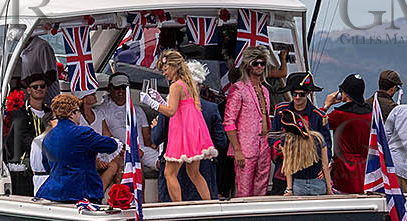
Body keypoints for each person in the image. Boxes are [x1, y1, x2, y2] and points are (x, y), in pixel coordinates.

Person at [145, 49, 215, 202]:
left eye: (165, 70)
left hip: (181, 133)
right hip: (193, 131)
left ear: (174, 67)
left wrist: (153, 104)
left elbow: (171, 111)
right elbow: (180, 108)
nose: (164, 73)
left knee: (169, 174)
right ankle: (210, 204)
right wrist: (160, 101)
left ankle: (179, 206)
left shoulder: (175, 86)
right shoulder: (188, 83)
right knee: (194, 174)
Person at [35, 93, 123, 204]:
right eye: (78, 111)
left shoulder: (48, 137)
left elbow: (47, 166)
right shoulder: (83, 133)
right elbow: (111, 145)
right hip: (80, 194)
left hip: (52, 193)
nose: (79, 115)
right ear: (71, 114)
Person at [223, 46, 274, 197]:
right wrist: (237, 150)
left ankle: (261, 219)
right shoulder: (238, 89)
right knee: (244, 191)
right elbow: (229, 122)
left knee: (262, 189)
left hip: (264, 146)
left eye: (262, 63)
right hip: (245, 148)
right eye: (256, 63)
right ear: (248, 65)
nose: (259, 66)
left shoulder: (265, 90)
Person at [271, 72, 328, 194]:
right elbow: (273, 136)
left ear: (308, 94)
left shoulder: (318, 116)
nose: (297, 97)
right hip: (284, 172)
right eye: (294, 93)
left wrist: (324, 167)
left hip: (310, 173)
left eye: (301, 94)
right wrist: (279, 147)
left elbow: (326, 145)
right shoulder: (281, 110)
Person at [2, 73, 51, 196]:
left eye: (42, 86)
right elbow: (22, 139)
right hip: (28, 167)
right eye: (35, 87)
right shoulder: (19, 114)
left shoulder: (50, 113)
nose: (39, 89)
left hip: (49, 163)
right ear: (28, 90)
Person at [325, 73, 373, 194]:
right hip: (365, 167)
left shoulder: (339, 115)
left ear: (344, 94)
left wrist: (327, 105)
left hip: (344, 169)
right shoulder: (371, 113)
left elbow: (317, 122)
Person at [277, 108, 333, 196]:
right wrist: (329, 189)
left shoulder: (287, 141)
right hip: (318, 183)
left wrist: (289, 190)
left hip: (299, 185)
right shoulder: (318, 138)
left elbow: (288, 167)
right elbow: (325, 166)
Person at [93, 73, 133, 189]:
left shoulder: (136, 110)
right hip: (97, 153)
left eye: (124, 88)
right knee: (117, 163)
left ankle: (138, 202)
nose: (121, 92)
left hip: (123, 149)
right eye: (117, 88)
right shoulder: (100, 110)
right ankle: (102, 198)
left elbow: (108, 137)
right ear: (110, 88)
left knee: (132, 160)